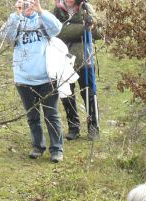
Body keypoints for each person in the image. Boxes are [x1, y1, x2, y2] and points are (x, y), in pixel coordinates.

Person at [1, 0, 65, 163]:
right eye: (24, 3)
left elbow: (57, 28)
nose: (27, 6)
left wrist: (41, 11)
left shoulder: (43, 19)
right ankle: (38, 146)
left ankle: (57, 149)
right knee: (32, 116)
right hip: (23, 79)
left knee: (52, 115)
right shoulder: (15, 20)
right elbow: (5, 36)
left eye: (30, 2)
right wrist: (17, 14)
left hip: (47, 78)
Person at [52, 0, 103, 140]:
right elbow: (56, 32)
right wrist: (81, 29)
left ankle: (94, 127)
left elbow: (99, 33)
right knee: (67, 95)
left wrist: (91, 27)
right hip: (63, 60)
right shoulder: (57, 10)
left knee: (90, 94)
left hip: (85, 59)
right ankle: (73, 127)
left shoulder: (86, 8)